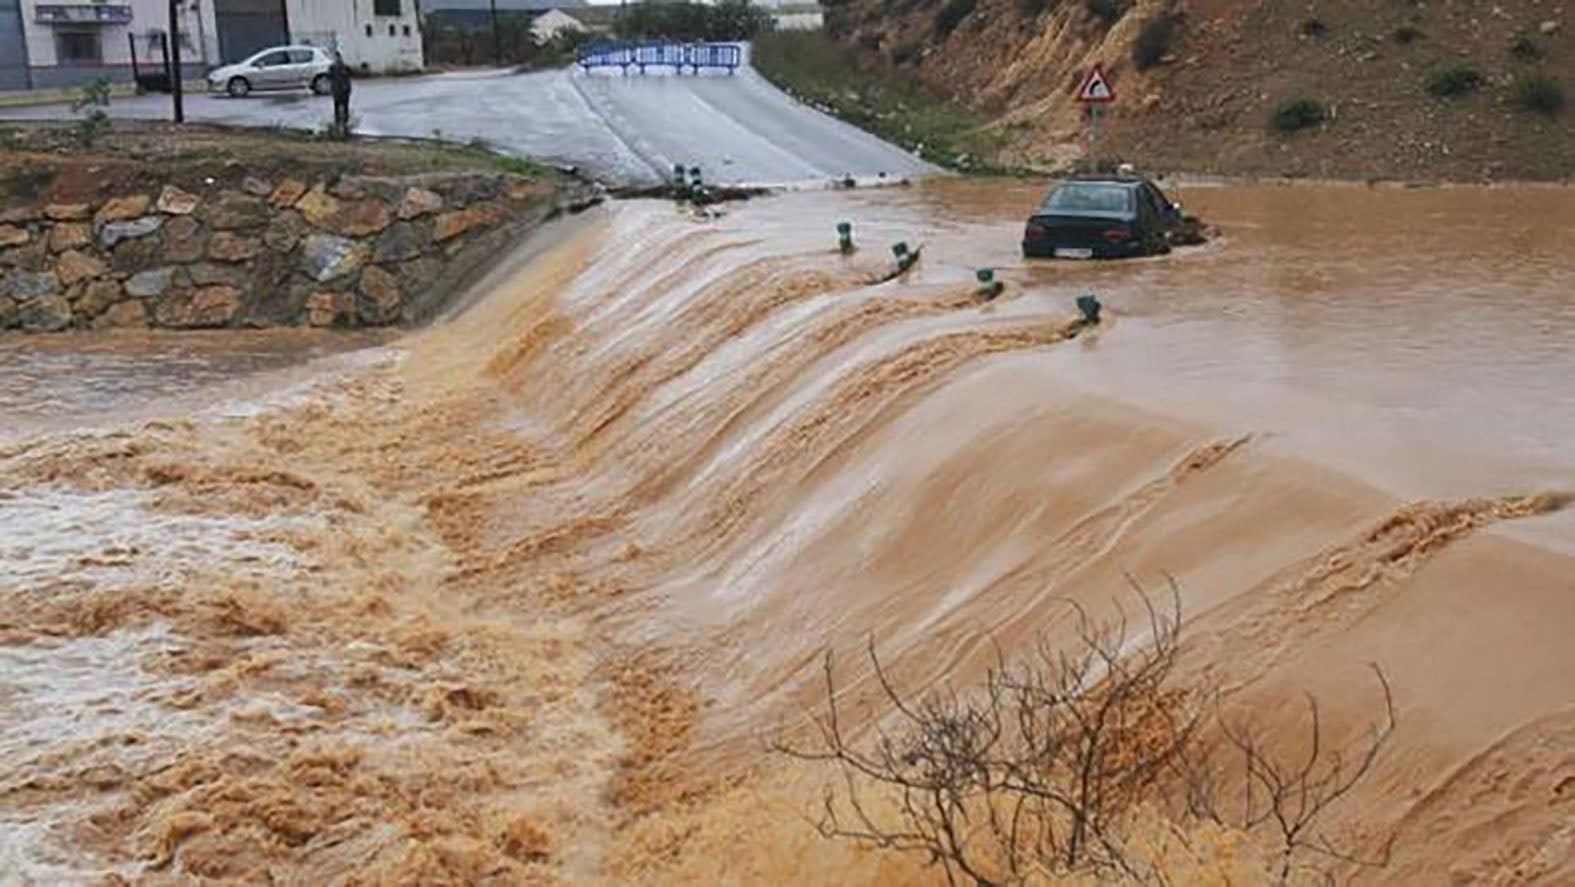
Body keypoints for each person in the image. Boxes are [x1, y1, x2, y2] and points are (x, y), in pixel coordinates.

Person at [328, 51, 352, 139]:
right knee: (337, 106)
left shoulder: (345, 67)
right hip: (336, 90)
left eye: (338, 58)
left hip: (344, 90)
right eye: (335, 58)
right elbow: (330, 77)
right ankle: (337, 122)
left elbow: (348, 77)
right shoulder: (332, 68)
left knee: (345, 106)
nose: (336, 60)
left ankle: (345, 122)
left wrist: (347, 88)